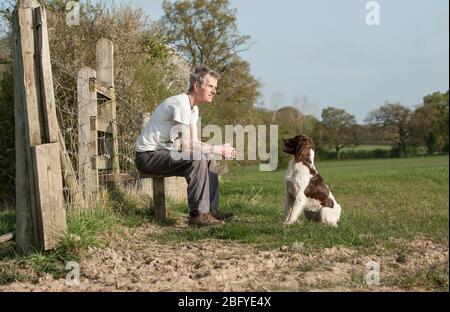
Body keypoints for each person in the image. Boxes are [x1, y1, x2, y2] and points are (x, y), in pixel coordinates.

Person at [135, 66, 236, 227]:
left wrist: (215, 150)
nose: (214, 91)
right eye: (210, 86)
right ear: (196, 86)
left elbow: (194, 142)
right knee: (197, 158)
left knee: (207, 157)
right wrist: (218, 149)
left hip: (163, 153)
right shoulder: (180, 103)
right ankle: (198, 216)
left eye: (215, 88)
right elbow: (188, 146)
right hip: (147, 156)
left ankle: (211, 210)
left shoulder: (193, 109)